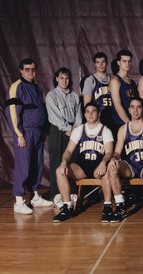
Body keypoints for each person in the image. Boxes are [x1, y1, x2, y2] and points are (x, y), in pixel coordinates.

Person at [5, 58, 52, 214]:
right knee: (23, 166)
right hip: (25, 132)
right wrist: (19, 134)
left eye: (33, 69)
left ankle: (35, 196)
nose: (31, 72)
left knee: (37, 165)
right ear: (20, 70)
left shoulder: (37, 88)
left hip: (38, 132)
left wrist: (43, 130)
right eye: (27, 69)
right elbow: (12, 113)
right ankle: (19, 201)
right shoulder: (16, 87)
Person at [54, 102, 114, 222]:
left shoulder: (105, 130)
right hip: (82, 167)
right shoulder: (79, 130)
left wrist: (103, 163)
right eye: (87, 111)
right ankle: (67, 207)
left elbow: (109, 153)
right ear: (85, 114)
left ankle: (107, 207)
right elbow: (68, 151)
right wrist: (64, 163)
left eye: (93, 111)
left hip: (99, 167)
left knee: (107, 171)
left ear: (98, 114)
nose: (90, 114)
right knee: (60, 171)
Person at [105, 97, 143, 222]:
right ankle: (120, 207)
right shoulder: (123, 129)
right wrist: (113, 159)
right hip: (130, 166)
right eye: (133, 107)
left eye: (139, 107)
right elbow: (117, 152)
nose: (135, 110)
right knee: (112, 168)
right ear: (129, 110)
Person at [46, 67, 82, 199]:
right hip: (58, 131)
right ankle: (57, 194)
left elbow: (78, 115)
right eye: (61, 78)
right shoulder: (51, 95)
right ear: (56, 79)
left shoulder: (74, 96)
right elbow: (54, 117)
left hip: (73, 131)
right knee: (57, 161)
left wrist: (75, 129)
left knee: (72, 161)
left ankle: (71, 191)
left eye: (67, 78)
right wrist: (67, 129)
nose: (64, 81)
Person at [109, 49, 138, 135]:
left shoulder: (131, 82)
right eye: (124, 61)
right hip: (121, 123)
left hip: (132, 120)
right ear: (118, 63)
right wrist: (129, 124)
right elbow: (117, 106)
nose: (127, 64)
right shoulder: (115, 81)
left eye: (129, 61)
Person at [81, 52, 113, 127]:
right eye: (98, 62)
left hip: (112, 117)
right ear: (95, 64)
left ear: (107, 63)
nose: (101, 65)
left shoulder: (113, 80)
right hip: (98, 118)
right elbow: (87, 104)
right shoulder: (90, 80)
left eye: (103, 62)